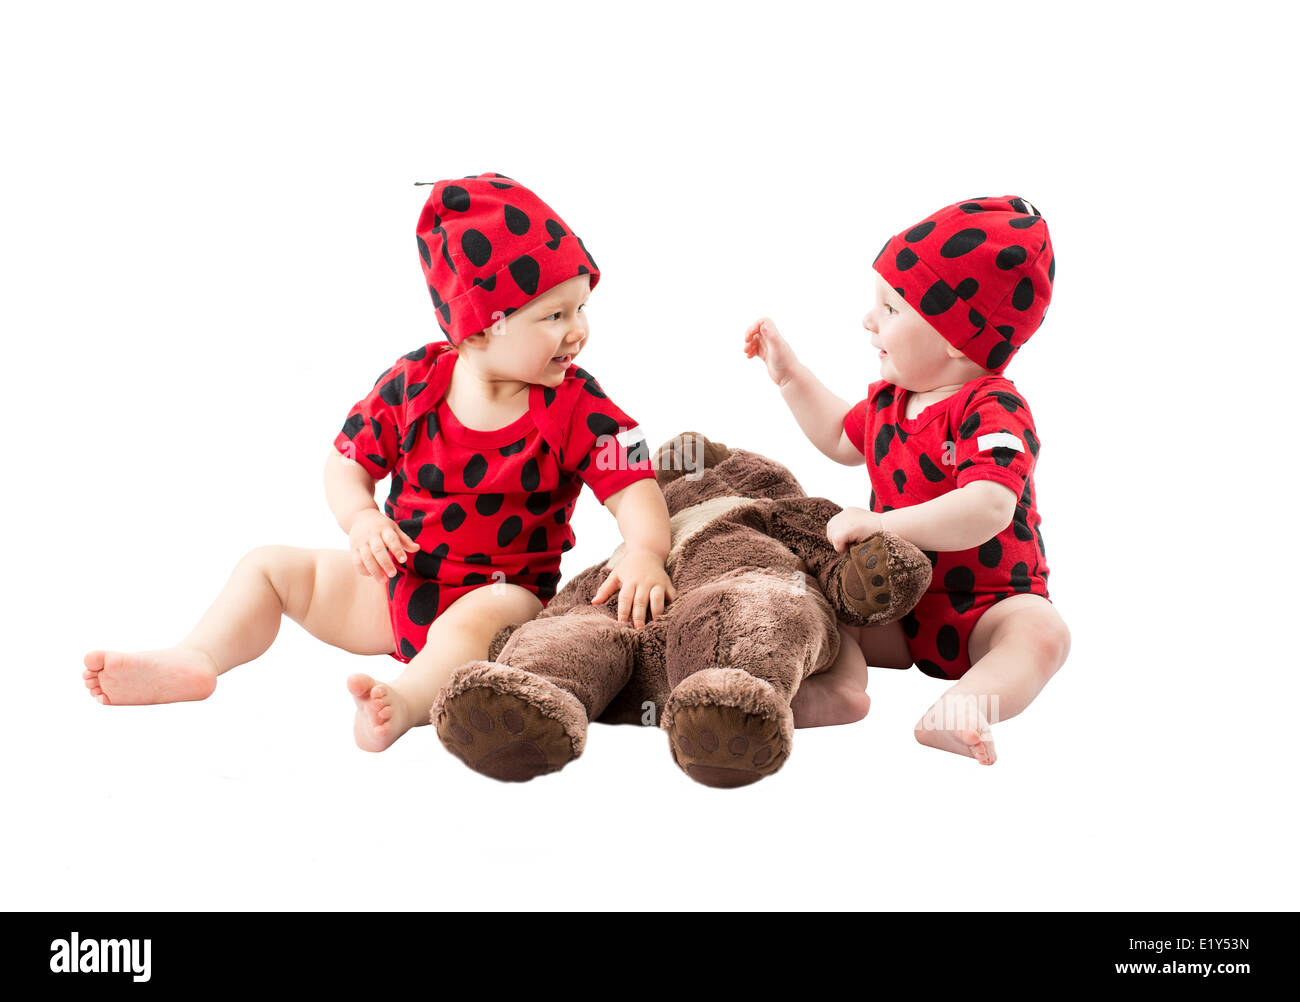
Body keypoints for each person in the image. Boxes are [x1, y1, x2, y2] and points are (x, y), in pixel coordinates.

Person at [84, 172, 674, 753]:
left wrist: (646, 551)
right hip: (398, 587)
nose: (580, 331)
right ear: (478, 330)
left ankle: (407, 701)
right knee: (268, 567)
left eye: (582, 307)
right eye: (555, 316)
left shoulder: (576, 403)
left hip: (505, 596)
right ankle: (199, 656)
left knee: (476, 620)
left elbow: (634, 484)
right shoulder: (415, 382)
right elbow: (345, 464)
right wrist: (362, 519)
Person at [746, 196, 1070, 765]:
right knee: (818, 598)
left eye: (891, 309)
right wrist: (790, 376)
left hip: (989, 607)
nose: (869, 321)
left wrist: (882, 523)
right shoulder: (892, 403)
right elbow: (841, 439)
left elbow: (988, 506)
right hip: (896, 605)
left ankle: (963, 706)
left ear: (954, 336)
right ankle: (842, 689)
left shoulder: (994, 409)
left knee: (1043, 634)